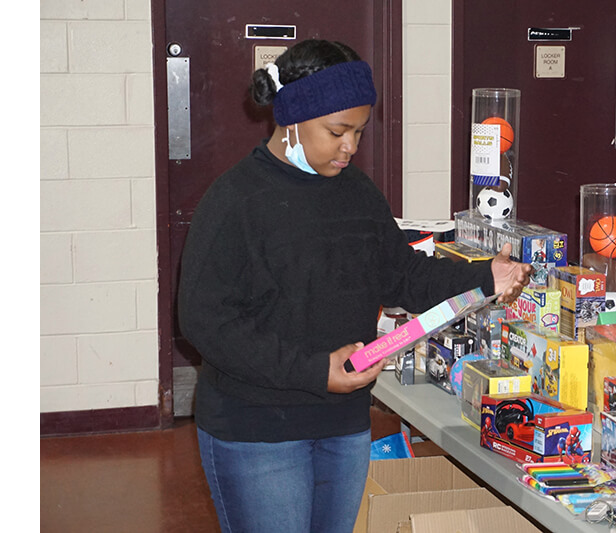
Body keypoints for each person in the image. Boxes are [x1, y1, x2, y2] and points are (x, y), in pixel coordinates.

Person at [177, 39, 532, 533]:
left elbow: (401, 273)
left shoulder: (357, 193)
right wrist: (312, 370)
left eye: (359, 132)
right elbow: (204, 321)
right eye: (337, 131)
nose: (351, 147)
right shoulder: (236, 200)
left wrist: (484, 277)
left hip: (342, 422)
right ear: (293, 119)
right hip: (257, 429)